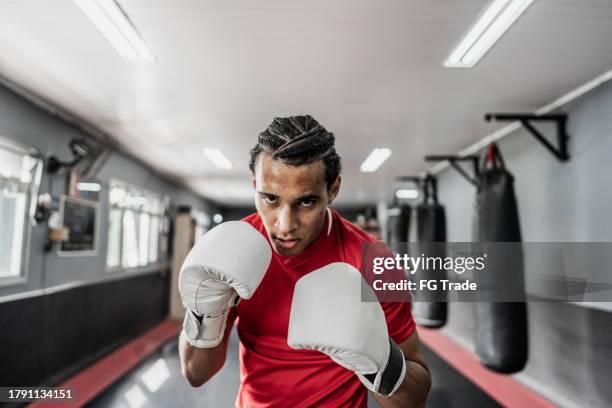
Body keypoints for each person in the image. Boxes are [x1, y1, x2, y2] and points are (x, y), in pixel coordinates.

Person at [178, 115, 431, 407]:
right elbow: (196, 374)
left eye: (306, 202)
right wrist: (205, 315)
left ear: (333, 189)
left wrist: (381, 363)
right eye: (270, 199)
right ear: (254, 184)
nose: (285, 225)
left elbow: (415, 400)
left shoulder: (374, 262)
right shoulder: (233, 251)